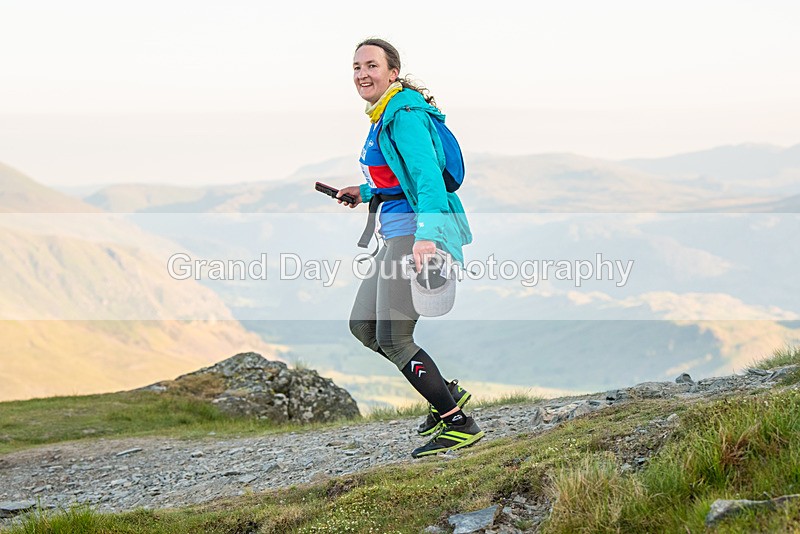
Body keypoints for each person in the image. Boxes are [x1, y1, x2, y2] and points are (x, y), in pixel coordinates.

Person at [336, 38, 483, 458]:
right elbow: (398, 178)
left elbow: (429, 180)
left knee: (394, 337)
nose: (362, 74)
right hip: (395, 232)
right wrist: (364, 192)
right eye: (356, 67)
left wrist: (427, 237)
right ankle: (446, 391)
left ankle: (458, 422)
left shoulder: (403, 115)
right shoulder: (383, 114)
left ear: (392, 72)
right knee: (364, 327)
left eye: (371, 66)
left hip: (413, 235)